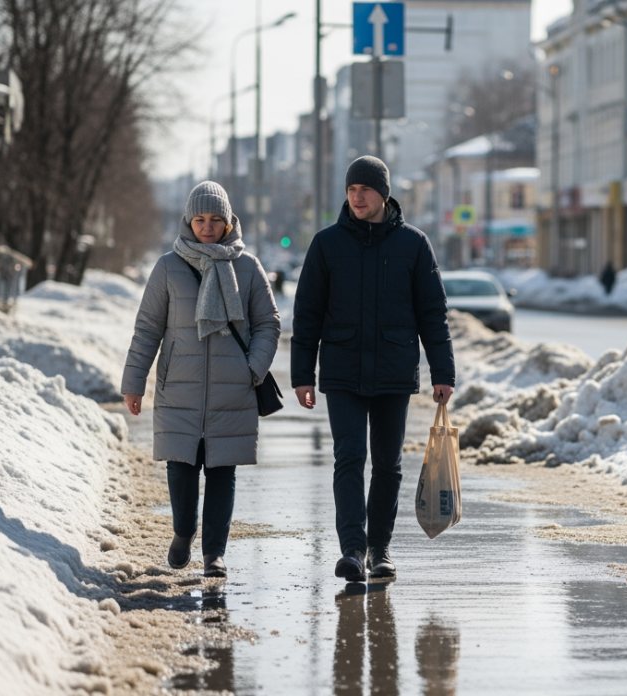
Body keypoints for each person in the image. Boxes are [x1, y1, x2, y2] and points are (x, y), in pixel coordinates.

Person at [291, 156, 455, 583]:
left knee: (387, 463)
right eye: (351, 190)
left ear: (383, 193)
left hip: (394, 369)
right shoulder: (326, 244)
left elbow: (432, 313)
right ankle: (352, 550)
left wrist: (443, 371)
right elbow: (307, 314)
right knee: (349, 456)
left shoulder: (414, 245)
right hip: (343, 369)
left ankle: (380, 550)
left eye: (364, 189)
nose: (357, 197)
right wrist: (301, 375)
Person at [121, 181, 280, 578]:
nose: (207, 227)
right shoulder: (168, 267)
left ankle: (214, 555)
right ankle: (182, 533)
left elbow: (268, 323)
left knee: (223, 474)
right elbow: (147, 329)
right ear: (188, 221)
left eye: (216, 220)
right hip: (179, 387)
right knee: (181, 471)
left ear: (228, 222)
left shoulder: (247, 267)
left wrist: (253, 368)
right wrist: (134, 382)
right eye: (200, 219)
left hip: (233, 388)